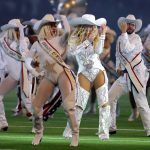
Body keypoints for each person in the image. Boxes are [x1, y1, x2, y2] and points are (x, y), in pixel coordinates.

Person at [24, 14, 79, 147]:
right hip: (48, 76)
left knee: (69, 107)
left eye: (55, 25)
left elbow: (67, 31)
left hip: (62, 74)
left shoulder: (60, 40)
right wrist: (34, 70)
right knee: (36, 106)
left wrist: (64, 18)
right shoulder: (37, 44)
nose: (54, 28)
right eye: (51, 25)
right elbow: (27, 60)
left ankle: (75, 134)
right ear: (44, 28)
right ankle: (39, 133)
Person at [63, 14, 110, 140]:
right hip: (84, 72)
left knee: (104, 103)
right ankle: (70, 131)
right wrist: (87, 41)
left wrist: (102, 34)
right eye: (88, 26)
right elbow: (72, 52)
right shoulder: (74, 37)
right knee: (79, 105)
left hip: (98, 70)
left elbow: (99, 51)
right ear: (82, 26)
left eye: (92, 26)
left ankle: (104, 133)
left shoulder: (96, 37)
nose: (90, 29)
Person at [109, 14, 150, 137]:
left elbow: (127, 49)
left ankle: (149, 130)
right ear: (124, 25)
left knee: (141, 103)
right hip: (125, 76)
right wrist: (118, 67)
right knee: (110, 97)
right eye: (128, 24)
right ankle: (111, 127)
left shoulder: (136, 38)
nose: (130, 26)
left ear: (135, 27)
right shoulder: (121, 39)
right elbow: (118, 55)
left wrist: (123, 34)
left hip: (137, 74)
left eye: (132, 24)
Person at [0, 19, 30, 131]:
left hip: (25, 74)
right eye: (17, 29)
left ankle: (38, 126)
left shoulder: (24, 40)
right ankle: (2, 122)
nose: (18, 31)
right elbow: (1, 60)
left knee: (28, 100)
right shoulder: (2, 42)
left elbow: (24, 52)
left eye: (20, 29)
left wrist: (22, 34)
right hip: (11, 75)